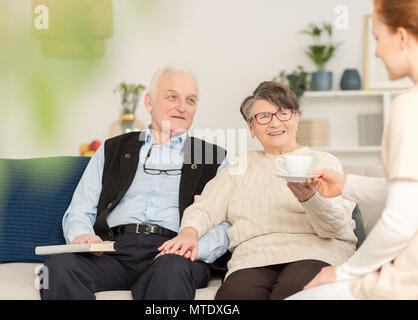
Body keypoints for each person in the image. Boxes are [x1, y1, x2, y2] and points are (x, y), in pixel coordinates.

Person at [40, 66, 231, 300]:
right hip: (113, 250)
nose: (182, 106)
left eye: (190, 100)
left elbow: (228, 223)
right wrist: (83, 236)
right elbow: (80, 210)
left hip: (173, 253)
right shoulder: (112, 149)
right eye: (172, 97)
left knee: (171, 272)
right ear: (149, 102)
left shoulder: (214, 158)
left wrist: (196, 248)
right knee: (56, 269)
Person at [158, 81, 358, 300]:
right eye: (263, 116)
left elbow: (336, 227)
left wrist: (309, 197)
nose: (274, 123)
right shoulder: (240, 166)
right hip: (252, 258)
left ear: (296, 118)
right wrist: (189, 233)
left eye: (282, 113)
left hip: (315, 252)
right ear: (252, 128)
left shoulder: (322, 162)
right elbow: (205, 207)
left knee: (296, 293)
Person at [287, 0, 418, 300]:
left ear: (401, 36)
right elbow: (411, 193)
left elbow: (399, 221)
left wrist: (344, 270)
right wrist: (347, 184)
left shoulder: (409, 106)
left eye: (377, 38)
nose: (376, 52)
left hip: (406, 281)